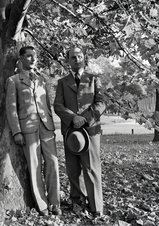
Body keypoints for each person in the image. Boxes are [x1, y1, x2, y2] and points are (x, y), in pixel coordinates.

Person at [6, 46, 61, 216]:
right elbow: (11, 108)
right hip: (27, 129)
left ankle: (55, 203)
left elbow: (47, 105)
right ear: (21, 59)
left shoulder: (42, 80)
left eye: (34, 57)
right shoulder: (14, 80)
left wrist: (51, 124)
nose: (32, 59)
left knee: (53, 163)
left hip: (47, 128)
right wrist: (16, 132)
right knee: (35, 166)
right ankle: (42, 205)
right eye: (29, 56)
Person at [54, 46, 106, 217]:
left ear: (84, 58)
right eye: (73, 57)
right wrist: (72, 118)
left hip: (90, 130)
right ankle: (77, 201)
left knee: (91, 168)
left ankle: (96, 205)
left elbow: (101, 103)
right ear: (67, 61)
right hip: (70, 132)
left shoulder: (94, 79)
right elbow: (58, 106)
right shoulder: (62, 82)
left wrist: (85, 118)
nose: (77, 59)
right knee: (73, 169)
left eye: (79, 56)